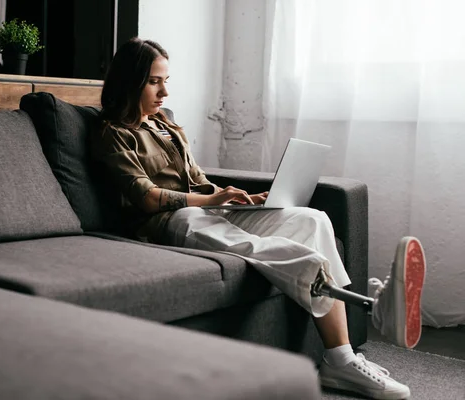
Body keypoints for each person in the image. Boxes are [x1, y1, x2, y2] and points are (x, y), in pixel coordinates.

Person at [93, 37, 426, 400]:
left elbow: (197, 177)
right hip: (167, 224)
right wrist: (209, 199)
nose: (165, 93)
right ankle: (370, 316)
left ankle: (340, 356)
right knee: (247, 241)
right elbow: (145, 196)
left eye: (166, 81)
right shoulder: (113, 134)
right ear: (130, 81)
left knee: (311, 220)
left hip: (206, 210)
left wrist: (235, 197)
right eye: (154, 81)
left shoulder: (167, 125)